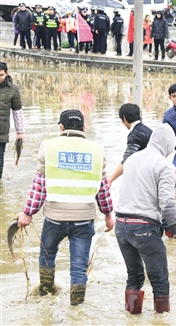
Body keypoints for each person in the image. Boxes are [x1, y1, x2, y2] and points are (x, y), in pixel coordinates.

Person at [16, 110, 114, 305]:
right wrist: (108, 214)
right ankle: (76, 307)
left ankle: (45, 293)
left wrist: (27, 213)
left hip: (54, 219)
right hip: (84, 220)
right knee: (78, 267)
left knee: (47, 255)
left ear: (61, 127)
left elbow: (39, 186)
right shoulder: (97, 151)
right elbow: (101, 189)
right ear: (84, 128)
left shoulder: (48, 147)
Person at [114, 124, 176, 314]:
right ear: (168, 145)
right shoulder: (164, 165)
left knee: (134, 276)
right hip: (144, 228)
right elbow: (166, 203)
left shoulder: (132, 159)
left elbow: (143, 185)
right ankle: (162, 318)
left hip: (121, 226)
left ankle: (132, 315)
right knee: (159, 280)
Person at [108, 103, 152, 187]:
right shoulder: (149, 131)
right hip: (154, 172)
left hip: (145, 178)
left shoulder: (135, 135)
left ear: (124, 118)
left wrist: (110, 179)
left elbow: (127, 160)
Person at [0, 62, 24, 179]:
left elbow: (17, 112)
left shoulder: (13, 89)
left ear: (6, 74)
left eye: (0, 75)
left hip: (2, 130)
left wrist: (20, 132)